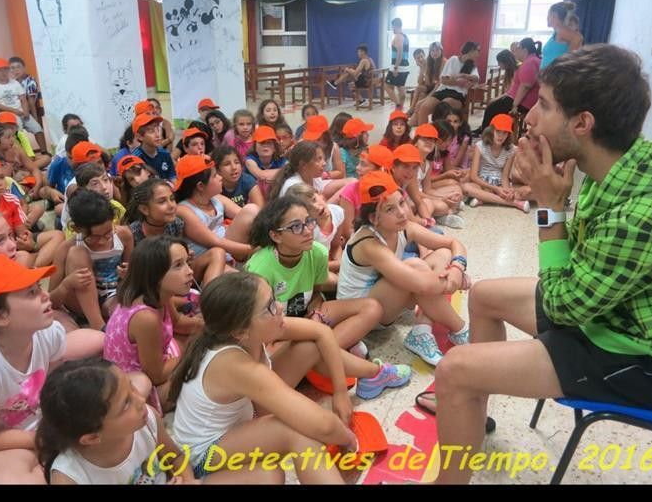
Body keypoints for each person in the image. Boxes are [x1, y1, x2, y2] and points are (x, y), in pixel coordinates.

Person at [433, 44, 652, 484]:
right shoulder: (624, 158)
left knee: (453, 371)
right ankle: (470, 419)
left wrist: (549, 210)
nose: (531, 118)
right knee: (483, 296)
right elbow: (579, 271)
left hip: (638, 354)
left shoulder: (641, 216)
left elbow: (562, 308)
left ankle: (458, 425)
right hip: (605, 307)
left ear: (583, 123)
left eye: (544, 105)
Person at [170, 273, 409, 483]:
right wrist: (349, 438)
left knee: (308, 346)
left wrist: (339, 391)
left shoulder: (249, 330)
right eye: (270, 307)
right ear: (240, 331)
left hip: (245, 415)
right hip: (206, 455)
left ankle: (374, 374)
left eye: (274, 299)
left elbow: (322, 331)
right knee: (297, 430)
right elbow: (323, 425)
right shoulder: (233, 364)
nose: (280, 308)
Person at [0, 255, 100, 484]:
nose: (45, 295)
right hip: (1, 444)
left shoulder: (48, 333)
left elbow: (53, 389)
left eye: (38, 287)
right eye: (31, 293)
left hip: (42, 422)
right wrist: (44, 439)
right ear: (0, 316)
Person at [336, 171, 471, 366]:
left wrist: (457, 267)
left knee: (442, 254)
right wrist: (453, 283)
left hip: (387, 299)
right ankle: (460, 330)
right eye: (390, 209)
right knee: (416, 266)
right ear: (374, 218)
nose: (402, 212)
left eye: (402, 202)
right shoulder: (368, 243)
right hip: (364, 315)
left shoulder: (405, 227)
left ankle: (422, 330)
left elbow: (452, 243)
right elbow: (422, 285)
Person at [246, 196, 387, 358]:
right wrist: (306, 331)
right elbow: (257, 327)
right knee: (268, 356)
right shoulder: (259, 269)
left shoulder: (317, 252)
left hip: (308, 317)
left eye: (309, 222)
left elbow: (316, 291)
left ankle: (318, 353)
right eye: (296, 227)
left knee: (372, 308)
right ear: (276, 236)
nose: (307, 231)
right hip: (277, 329)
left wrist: (315, 314)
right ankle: (326, 352)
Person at [36, 358, 196, 484]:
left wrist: (189, 480)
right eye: (126, 404)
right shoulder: (70, 476)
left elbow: (176, 457)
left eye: (131, 386)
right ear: (92, 437)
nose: (141, 400)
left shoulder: (147, 420)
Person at [103, 236, 194, 412]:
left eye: (187, 262)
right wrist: (191, 351)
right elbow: (156, 376)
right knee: (204, 370)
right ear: (154, 274)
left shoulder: (160, 294)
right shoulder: (146, 317)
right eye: (178, 266)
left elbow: (179, 323)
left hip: (155, 359)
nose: (190, 271)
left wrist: (208, 324)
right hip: (142, 388)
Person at [50, 189, 133, 330]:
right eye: (94, 237)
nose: (101, 242)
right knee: (77, 253)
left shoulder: (123, 235)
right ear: (76, 228)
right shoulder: (65, 248)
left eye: (107, 233)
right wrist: (67, 284)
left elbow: (131, 273)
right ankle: (98, 326)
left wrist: (128, 274)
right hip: (79, 302)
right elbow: (51, 301)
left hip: (113, 295)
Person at [0, 156, 64, 267]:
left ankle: (30, 268)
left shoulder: (11, 199)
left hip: (12, 243)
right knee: (23, 257)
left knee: (58, 236)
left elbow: (22, 233)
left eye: (1, 177)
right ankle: (28, 267)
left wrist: (29, 243)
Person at [174, 154, 259, 263]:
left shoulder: (216, 199)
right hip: (208, 257)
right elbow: (215, 242)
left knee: (251, 211)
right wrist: (253, 249)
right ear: (200, 186)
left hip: (229, 250)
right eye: (215, 176)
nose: (220, 177)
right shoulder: (184, 210)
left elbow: (250, 216)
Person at [463, 114, 531, 212]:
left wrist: (507, 191)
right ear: (491, 131)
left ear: (508, 135)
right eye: (498, 131)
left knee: (525, 191)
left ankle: (484, 199)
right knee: (466, 187)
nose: (501, 136)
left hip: (499, 183)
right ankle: (514, 204)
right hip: (482, 184)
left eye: (505, 133)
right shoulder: (480, 146)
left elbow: (504, 176)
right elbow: (473, 176)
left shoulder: (511, 149)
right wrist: (494, 189)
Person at [474, 39, 542, 135]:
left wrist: (515, 105)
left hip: (523, 102)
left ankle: (486, 133)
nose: (516, 52)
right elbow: (515, 88)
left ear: (525, 50)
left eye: (518, 48)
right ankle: (488, 131)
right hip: (517, 98)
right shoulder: (531, 60)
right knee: (493, 105)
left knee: (492, 108)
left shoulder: (530, 62)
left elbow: (526, 86)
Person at [410, 41, 481, 127]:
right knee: (423, 107)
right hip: (443, 90)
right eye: (478, 51)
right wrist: (459, 81)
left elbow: (476, 78)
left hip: (458, 94)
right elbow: (444, 80)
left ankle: (442, 134)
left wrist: (463, 75)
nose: (479, 54)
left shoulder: (472, 66)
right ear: (471, 51)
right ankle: (423, 135)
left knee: (443, 106)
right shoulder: (453, 59)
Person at [0, 57, 48, 155]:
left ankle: (45, 152)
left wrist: (26, 111)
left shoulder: (14, 83)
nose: (3, 72)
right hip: (7, 115)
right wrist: (15, 111)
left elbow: (23, 98)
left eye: (5, 69)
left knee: (38, 128)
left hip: (22, 112)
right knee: (18, 133)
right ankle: (24, 155)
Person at [245, 126, 288, 200]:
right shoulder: (250, 160)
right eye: (262, 143)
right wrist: (281, 172)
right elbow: (261, 175)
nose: (265, 146)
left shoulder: (281, 160)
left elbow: (290, 170)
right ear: (255, 146)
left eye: (269, 143)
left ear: (275, 147)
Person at [131, 113, 177, 183]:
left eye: (158, 129)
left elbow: (173, 178)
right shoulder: (135, 158)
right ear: (140, 137)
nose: (157, 135)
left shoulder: (165, 154)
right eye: (151, 131)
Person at [540, 1, 583, 70]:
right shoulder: (557, 32)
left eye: (549, 15)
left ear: (554, 15)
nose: (547, 18)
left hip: (556, 76)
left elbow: (578, 38)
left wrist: (568, 62)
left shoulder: (560, 29)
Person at [9, 56, 44, 127]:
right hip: (15, 113)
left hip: (29, 113)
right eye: (12, 68)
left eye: (18, 67)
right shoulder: (12, 83)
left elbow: (31, 104)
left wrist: (35, 121)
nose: (16, 70)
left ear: (24, 68)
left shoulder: (30, 81)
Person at [384, 18, 411, 110]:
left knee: (387, 86)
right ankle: (400, 109)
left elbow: (400, 52)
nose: (392, 29)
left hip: (398, 67)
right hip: (404, 67)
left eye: (392, 27)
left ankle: (398, 105)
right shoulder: (405, 36)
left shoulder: (398, 36)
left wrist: (395, 67)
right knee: (400, 88)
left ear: (396, 26)